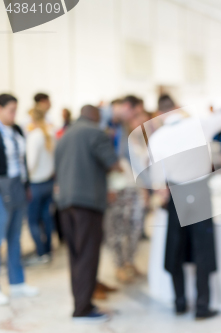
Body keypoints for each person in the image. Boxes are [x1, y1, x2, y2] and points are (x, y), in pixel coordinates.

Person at [147, 97, 221, 320]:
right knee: (203, 248)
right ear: (177, 107)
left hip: (177, 194)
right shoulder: (198, 124)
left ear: (159, 112)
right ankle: (203, 305)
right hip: (201, 192)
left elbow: (157, 179)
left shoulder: (157, 137)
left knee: (175, 247)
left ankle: (179, 302)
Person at [55, 105, 120, 323]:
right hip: (88, 203)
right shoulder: (95, 133)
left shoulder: (64, 136)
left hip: (65, 203)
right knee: (88, 254)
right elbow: (113, 163)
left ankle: (82, 302)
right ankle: (82, 308)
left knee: (76, 255)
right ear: (95, 116)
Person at [0, 94, 39, 306]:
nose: (14, 114)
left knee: (15, 237)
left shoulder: (16, 130)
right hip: (1, 186)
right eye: (10, 110)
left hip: (18, 185)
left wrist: (27, 185)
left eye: (16, 110)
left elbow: (22, 161)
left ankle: (17, 283)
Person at [105, 111, 147, 284]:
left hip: (135, 188)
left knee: (135, 227)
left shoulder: (140, 140)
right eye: (137, 117)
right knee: (117, 229)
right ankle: (119, 265)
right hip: (120, 187)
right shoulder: (116, 137)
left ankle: (129, 262)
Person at [25, 108, 56, 265]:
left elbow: (30, 163)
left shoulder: (34, 136)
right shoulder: (49, 134)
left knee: (32, 221)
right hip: (48, 183)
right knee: (46, 218)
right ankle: (48, 249)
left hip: (35, 184)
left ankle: (41, 252)